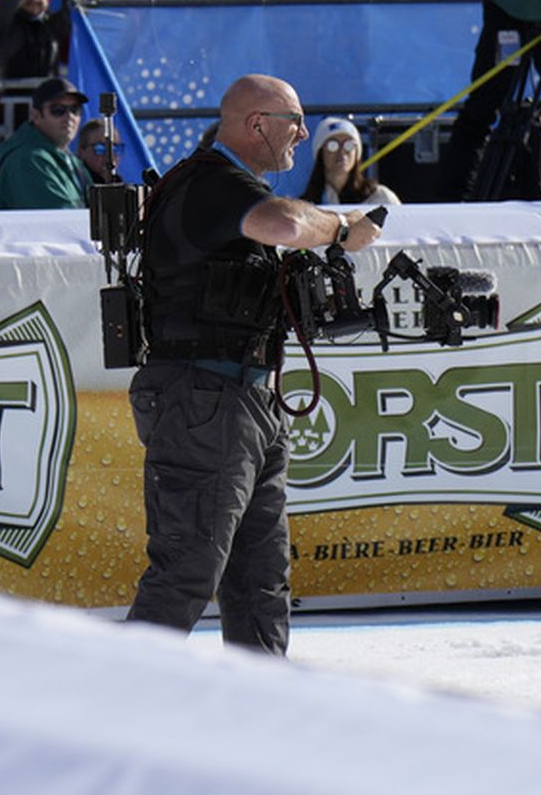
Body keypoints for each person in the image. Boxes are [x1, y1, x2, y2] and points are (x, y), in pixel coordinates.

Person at [127, 73, 381, 654]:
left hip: (243, 396)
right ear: (255, 124)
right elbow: (287, 225)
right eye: (294, 121)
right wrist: (342, 228)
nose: (302, 134)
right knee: (186, 574)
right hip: (205, 397)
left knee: (260, 581)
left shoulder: (229, 187)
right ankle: (107, 720)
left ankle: (261, 721)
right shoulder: (213, 183)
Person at [0, 77, 114, 210]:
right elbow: (61, 221)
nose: (69, 116)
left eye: (75, 110)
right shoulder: (28, 160)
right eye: (58, 110)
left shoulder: (70, 161)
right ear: (36, 116)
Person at [300, 117, 400, 210]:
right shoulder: (305, 206)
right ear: (320, 153)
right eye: (332, 145)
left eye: (349, 145)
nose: (342, 152)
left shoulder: (380, 199)